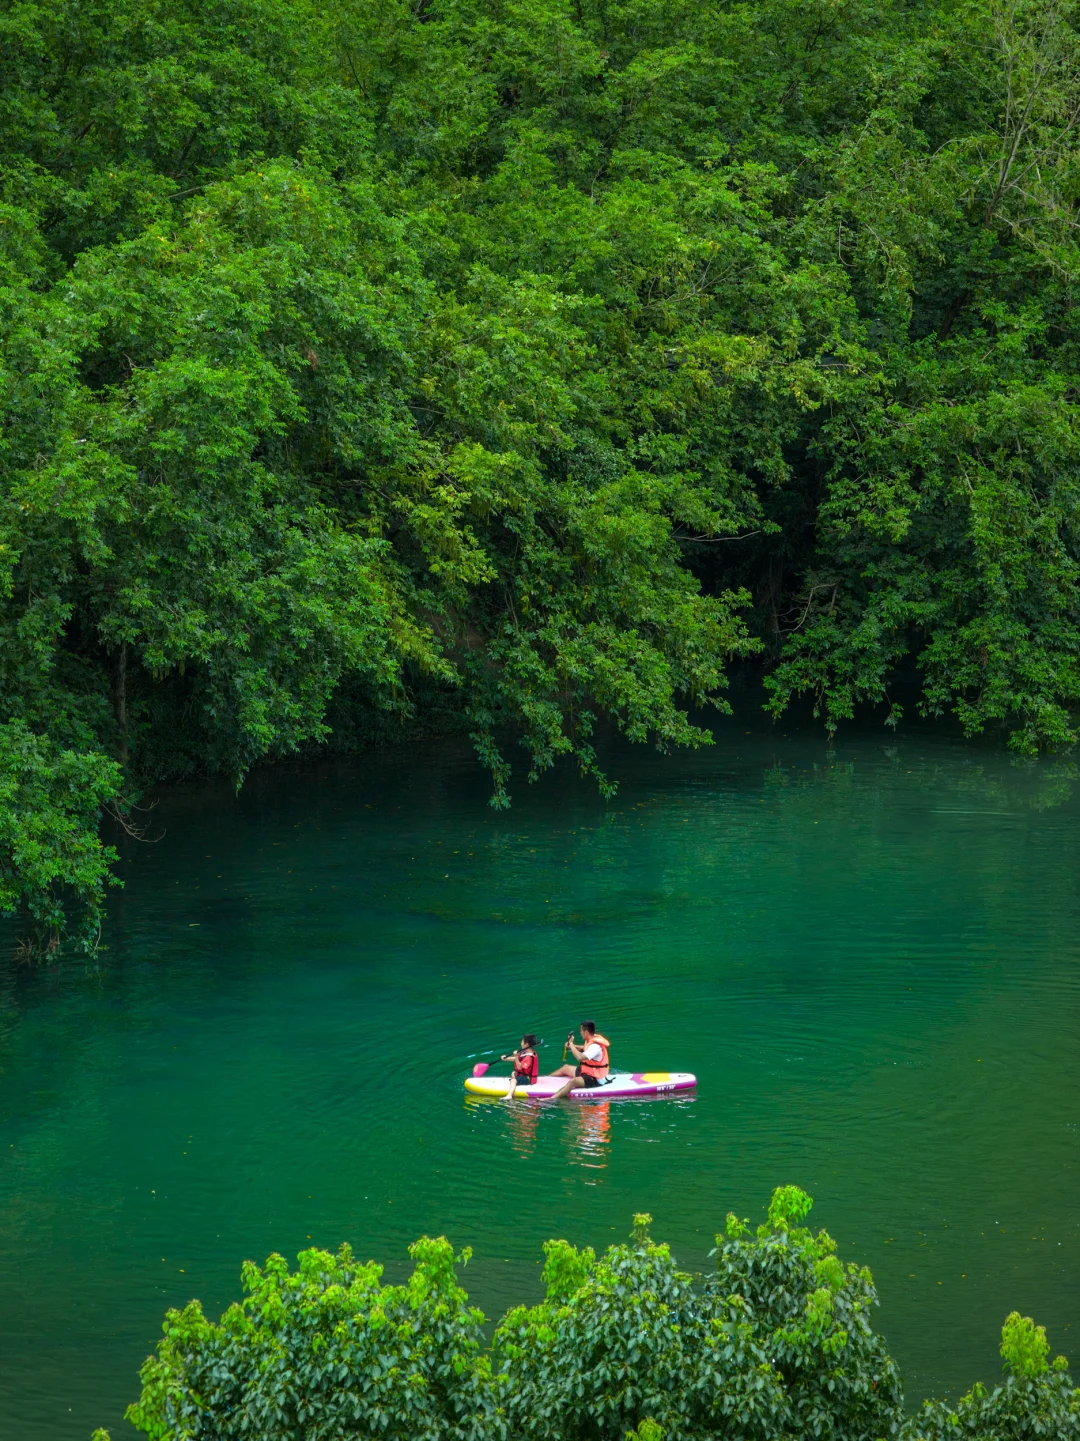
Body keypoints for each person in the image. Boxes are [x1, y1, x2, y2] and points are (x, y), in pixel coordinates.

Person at [550, 1021, 610, 1099]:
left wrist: (571, 1044)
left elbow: (580, 1057)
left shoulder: (595, 1046)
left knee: (573, 1082)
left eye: (581, 1031)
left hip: (595, 1078)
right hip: (588, 1072)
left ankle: (551, 1099)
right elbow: (584, 1048)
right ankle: (546, 1079)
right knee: (565, 1068)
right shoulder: (591, 1039)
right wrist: (572, 1046)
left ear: (586, 1032)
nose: (580, 1033)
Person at [502, 1034, 539, 1100]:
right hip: (523, 1075)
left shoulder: (529, 1057)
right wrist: (506, 1059)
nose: (521, 1043)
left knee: (513, 1080)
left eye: (522, 1042)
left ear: (526, 1044)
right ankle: (514, 1087)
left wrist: (516, 1056)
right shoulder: (524, 1052)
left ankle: (509, 1095)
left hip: (528, 1079)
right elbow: (517, 1059)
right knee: (513, 1073)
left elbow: (519, 1067)